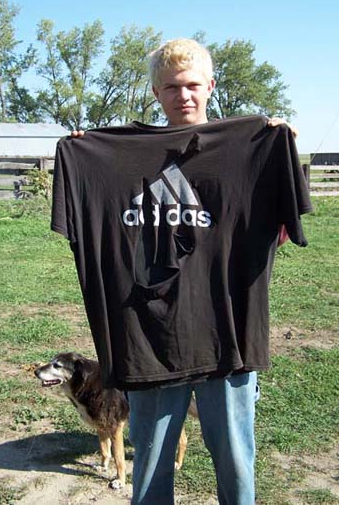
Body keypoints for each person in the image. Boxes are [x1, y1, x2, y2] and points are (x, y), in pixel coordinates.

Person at [59, 38, 311, 505]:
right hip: (146, 337)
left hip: (226, 334)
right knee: (151, 464)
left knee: (236, 459)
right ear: (156, 93)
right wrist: (82, 156)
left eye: (193, 85)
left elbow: (280, 226)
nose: (184, 95)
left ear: (211, 85)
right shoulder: (110, 157)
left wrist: (277, 151)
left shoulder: (253, 148)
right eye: (172, 87)